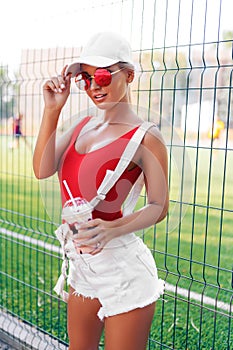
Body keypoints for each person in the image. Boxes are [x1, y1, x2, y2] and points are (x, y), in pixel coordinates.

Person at [33, 32, 169, 350]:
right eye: (86, 78)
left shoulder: (147, 137)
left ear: (130, 75)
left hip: (124, 271)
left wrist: (111, 228)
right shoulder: (82, 126)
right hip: (83, 267)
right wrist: (53, 110)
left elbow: (159, 205)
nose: (95, 85)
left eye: (105, 75)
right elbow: (41, 169)